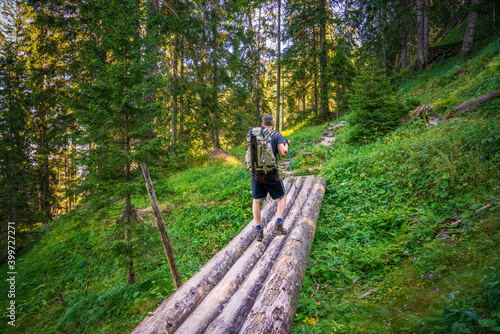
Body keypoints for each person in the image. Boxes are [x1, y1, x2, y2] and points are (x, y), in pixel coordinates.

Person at [252, 114, 291, 242]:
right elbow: (282, 153)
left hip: (256, 173)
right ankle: (279, 225)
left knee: (256, 201)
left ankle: (258, 231)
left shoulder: (254, 135)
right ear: (273, 124)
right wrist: (286, 144)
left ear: (262, 125)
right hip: (270, 173)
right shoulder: (277, 135)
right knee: (282, 197)